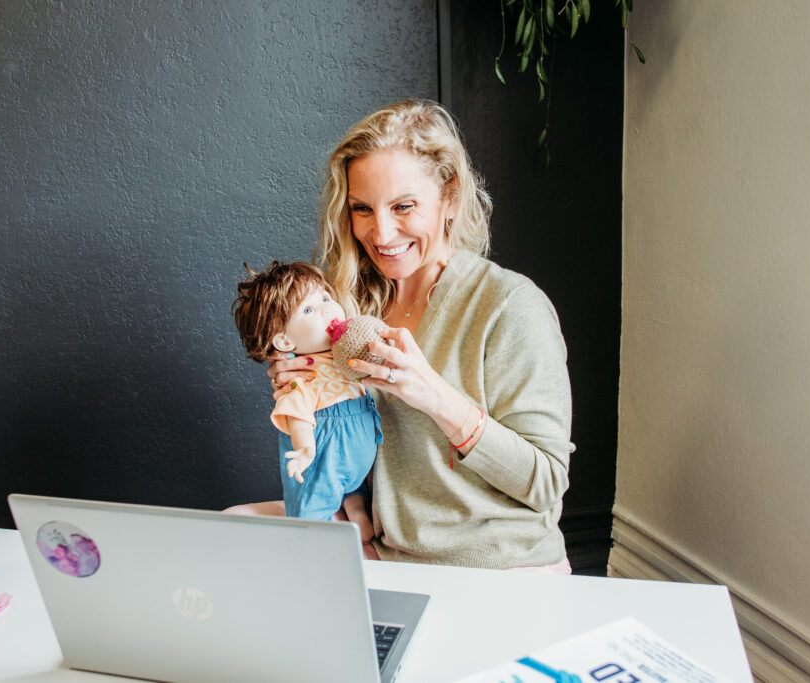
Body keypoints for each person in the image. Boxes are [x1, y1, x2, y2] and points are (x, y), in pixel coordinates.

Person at [240, 99, 575, 572]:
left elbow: (544, 482)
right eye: (362, 209)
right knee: (233, 533)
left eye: (403, 206)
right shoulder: (352, 307)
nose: (381, 232)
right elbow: (354, 454)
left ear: (450, 196)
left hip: (497, 572)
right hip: (391, 558)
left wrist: (434, 395)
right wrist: (305, 384)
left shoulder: (510, 306)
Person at [232, 261, 382, 520]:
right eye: (309, 309)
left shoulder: (344, 353)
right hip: (324, 462)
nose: (326, 309)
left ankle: (357, 508)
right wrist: (304, 449)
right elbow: (298, 414)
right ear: (285, 341)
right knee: (313, 509)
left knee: (356, 499)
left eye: (325, 297)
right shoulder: (300, 376)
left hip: (360, 471)